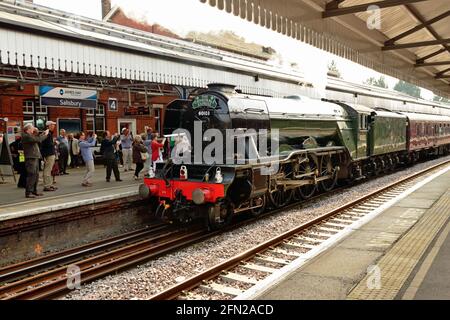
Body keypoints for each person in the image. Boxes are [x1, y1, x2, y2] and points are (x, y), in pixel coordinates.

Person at [21, 123, 49, 198]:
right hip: (30, 157)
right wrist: (45, 135)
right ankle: (28, 192)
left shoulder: (30, 135)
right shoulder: (26, 136)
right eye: (32, 128)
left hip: (34, 157)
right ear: (28, 129)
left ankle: (34, 191)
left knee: (36, 175)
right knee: (32, 175)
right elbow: (38, 140)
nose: (33, 129)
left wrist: (42, 134)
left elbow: (36, 138)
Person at [40, 121, 57, 192]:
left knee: (49, 170)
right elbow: (46, 144)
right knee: (47, 170)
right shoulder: (47, 133)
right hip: (49, 154)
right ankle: (47, 186)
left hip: (49, 153)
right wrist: (54, 143)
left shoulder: (49, 133)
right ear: (49, 126)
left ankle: (49, 184)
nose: (54, 126)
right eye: (52, 125)